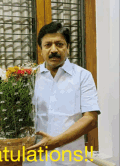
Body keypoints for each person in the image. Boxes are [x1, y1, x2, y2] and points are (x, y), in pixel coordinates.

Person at [23, 22, 101, 166]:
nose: (54, 50)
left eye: (59, 44)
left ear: (68, 48)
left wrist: (55, 142)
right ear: (41, 49)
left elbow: (91, 119)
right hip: (34, 160)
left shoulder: (83, 76)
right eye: (48, 45)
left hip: (70, 160)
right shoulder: (30, 77)